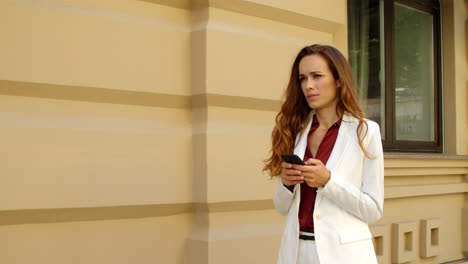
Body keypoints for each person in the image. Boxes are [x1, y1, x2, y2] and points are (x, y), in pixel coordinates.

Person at [263, 44, 384, 264]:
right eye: (302, 78)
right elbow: (281, 207)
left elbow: (373, 210)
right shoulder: (296, 130)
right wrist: (286, 183)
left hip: (344, 256)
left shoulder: (366, 131)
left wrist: (328, 181)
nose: (308, 86)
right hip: (296, 252)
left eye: (317, 76)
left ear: (338, 80)